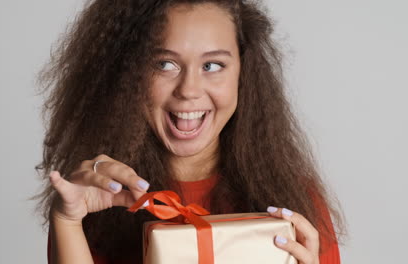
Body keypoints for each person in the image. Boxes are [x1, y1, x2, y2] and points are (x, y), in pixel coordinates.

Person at [34, 0, 345, 263]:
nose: (189, 90)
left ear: (243, 74)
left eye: (212, 66)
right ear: (128, 75)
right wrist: (67, 220)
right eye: (165, 64)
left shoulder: (297, 204)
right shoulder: (93, 200)